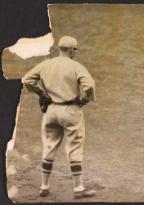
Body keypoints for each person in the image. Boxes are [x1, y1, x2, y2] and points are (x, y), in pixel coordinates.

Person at [22, 36, 96, 198]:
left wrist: (41, 92)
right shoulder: (76, 66)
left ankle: (44, 186)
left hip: (51, 111)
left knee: (49, 146)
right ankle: (78, 189)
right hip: (70, 110)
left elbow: (27, 80)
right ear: (70, 49)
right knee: (75, 147)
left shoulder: (46, 64)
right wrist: (85, 99)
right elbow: (89, 86)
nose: (74, 52)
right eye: (74, 50)